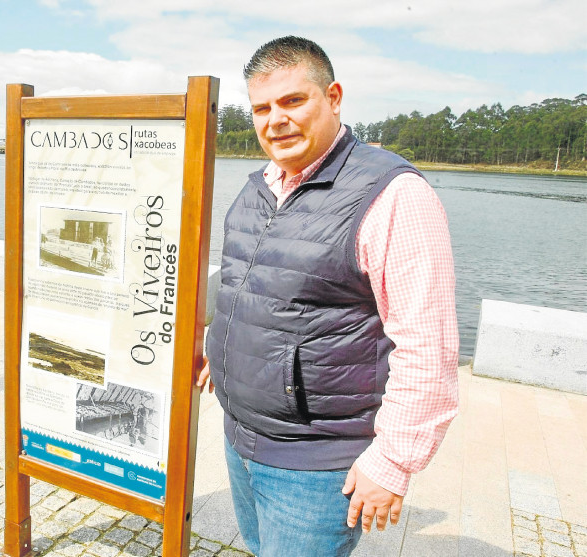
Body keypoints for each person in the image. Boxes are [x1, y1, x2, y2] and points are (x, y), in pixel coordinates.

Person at [197, 36, 459, 556]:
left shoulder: (392, 195)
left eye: (294, 101)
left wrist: (393, 462)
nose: (275, 120)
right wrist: (221, 346)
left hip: (317, 465)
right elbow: (247, 287)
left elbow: (428, 348)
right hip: (240, 436)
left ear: (333, 97)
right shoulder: (258, 188)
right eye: (261, 108)